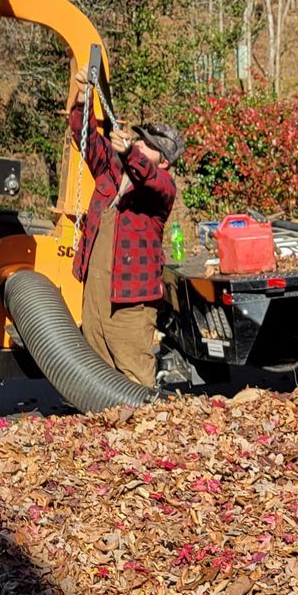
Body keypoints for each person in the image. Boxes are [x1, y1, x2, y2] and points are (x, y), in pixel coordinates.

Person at [68, 72, 185, 386]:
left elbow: (149, 177)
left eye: (149, 146)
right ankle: (101, 428)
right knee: (94, 362)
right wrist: (82, 101)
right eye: (141, 140)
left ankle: (141, 429)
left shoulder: (162, 187)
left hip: (132, 299)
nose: (140, 145)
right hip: (96, 289)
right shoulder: (109, 170)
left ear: (164, 162)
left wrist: (129, 153)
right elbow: (86, 138)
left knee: (132, 369)